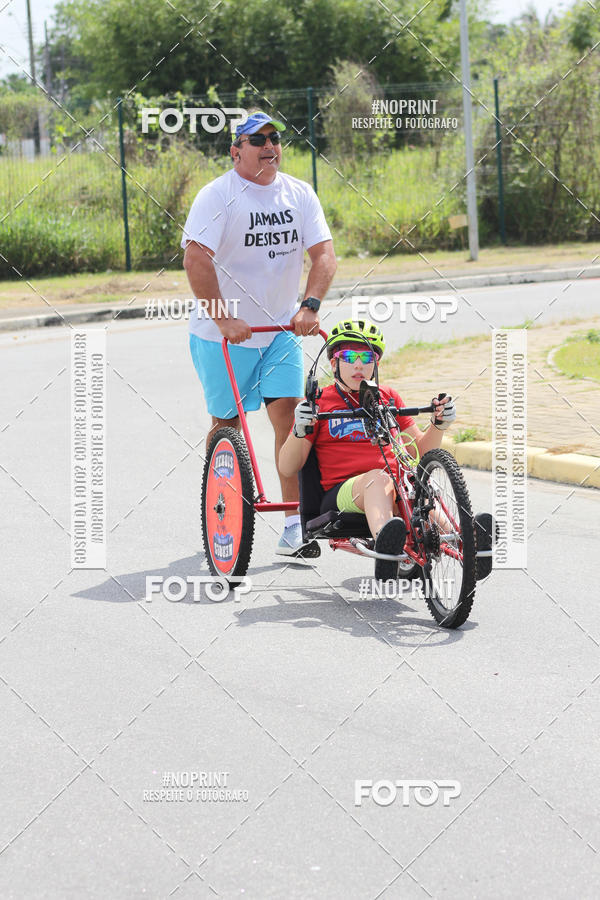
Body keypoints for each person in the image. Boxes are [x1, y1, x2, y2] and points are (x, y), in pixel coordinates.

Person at [181, 110, 337, 556]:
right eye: (258, 140)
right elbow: (196, 259)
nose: (270, 145)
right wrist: (223, 318)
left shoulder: (299, 193)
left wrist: (309, 306)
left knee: (288, 421)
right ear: (236, 152)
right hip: (220, 336)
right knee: (226, 426)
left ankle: (294, 525)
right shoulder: (218, 196)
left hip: (278, 330)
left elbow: (324, 254)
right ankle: (225, 510)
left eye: (275, 137)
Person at [278, 319, 456, 577]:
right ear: (334, 363)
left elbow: (420, 450)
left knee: (419, 491)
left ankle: (465, 541)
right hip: (344, 493)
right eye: (349, 356)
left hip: (396, 488)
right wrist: (299, 430)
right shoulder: (319, 403)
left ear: (377, 364)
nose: (359, 364)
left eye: (367, 357)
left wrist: (439, 425)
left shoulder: (388, 397)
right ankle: (387, 550)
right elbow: (287, 467)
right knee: (377, 478)